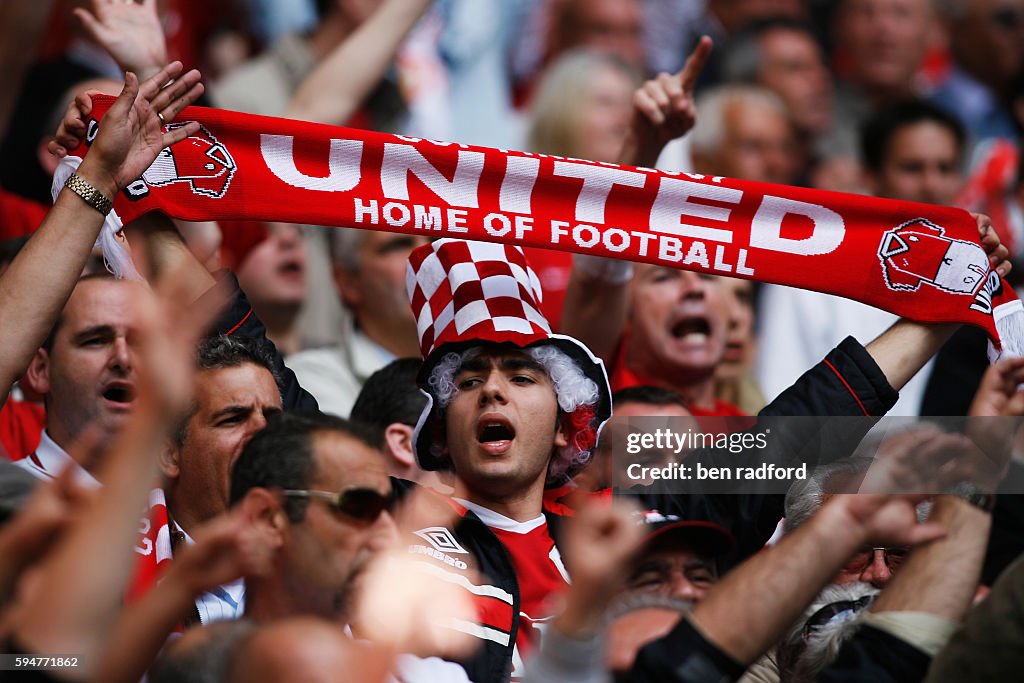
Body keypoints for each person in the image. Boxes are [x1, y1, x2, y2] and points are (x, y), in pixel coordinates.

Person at [756, 100, 968, 415]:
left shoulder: (979, 278)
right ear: (869, 176)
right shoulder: (809, 278)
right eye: (912, 168)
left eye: (945, 168)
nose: (932, 185)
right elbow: (781, 409)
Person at [287, 229, 428, 417]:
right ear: (348, 283)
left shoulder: (475, 367)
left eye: (436, 239)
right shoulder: (307, 381)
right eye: (399, 245)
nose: (429, 256)